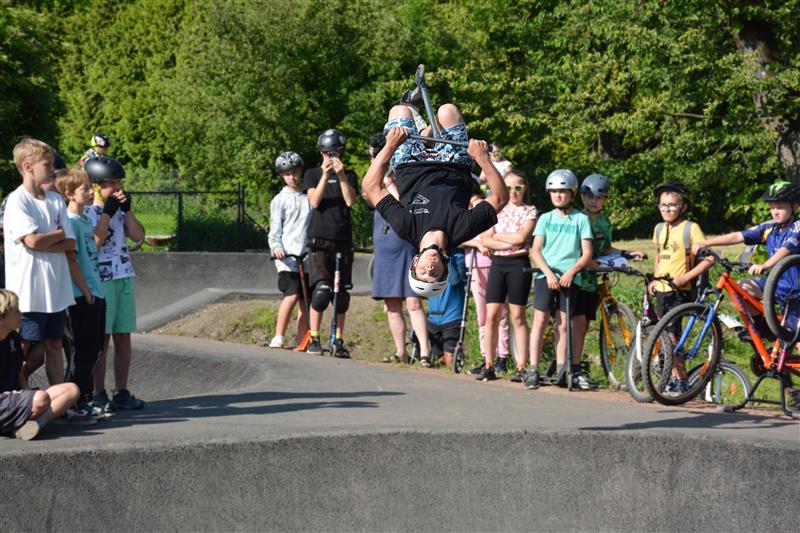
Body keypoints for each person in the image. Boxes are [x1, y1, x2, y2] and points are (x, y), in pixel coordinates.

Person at [362, 102, 509, 299]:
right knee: (448, 111)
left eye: (422, 272)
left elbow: (371, 187)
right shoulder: (462, 229)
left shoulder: (406, 226)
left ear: (415, 263)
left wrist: (389, 146)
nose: (429, 269)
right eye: (434, 274)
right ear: (445, 268)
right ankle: (427, 132)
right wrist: (483, 159)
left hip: (410, 162)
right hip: (454, 163)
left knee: (399, 111)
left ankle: (426, 131)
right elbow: (500, 199)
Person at [3, 138, 75, 387]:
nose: (53, 170)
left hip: (56, 290)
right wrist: (57, 235)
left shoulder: (55, 200)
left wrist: (48, 239)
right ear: (27, 166)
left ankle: (57, 398)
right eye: (47, 164)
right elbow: (32, 241)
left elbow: (71, 242)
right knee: (22, 346)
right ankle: (15, 395)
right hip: (29, 293)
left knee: (54, 345)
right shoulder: (18, 200)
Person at [692, 180, 800, 337]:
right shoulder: (770, 228)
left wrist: (765, 265)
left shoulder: (797, 227)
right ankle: (763, 326)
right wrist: (706, 243)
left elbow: (786, 249)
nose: (775, 212)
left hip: (795, 291)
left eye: (780, 207)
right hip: (774, 285)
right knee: (742, 288)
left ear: (794, 206)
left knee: (795, 340)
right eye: (772, 208)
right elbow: (739, 236)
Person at [83, 156, 146, 413]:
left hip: (123, 276)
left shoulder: (119, 211)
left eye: (119, 183)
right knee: (103, 339)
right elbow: (94, 245)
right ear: (95, 185)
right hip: (102, 280)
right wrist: (106, 213)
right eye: (111, 183)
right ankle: (98, 392)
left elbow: (138, 236)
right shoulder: (87, 212)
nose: (117, 188)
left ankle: (121, 391)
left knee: (123, 337)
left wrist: (126, 210)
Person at [572, 173, 644, 386]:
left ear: (606, 199)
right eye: (589, 197)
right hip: (576, 276)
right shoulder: (577, 219)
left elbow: (605, 248)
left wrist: (626, 253)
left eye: (599, 197)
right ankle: (572, 368)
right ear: (582, 197)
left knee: (584, 323)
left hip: (592, 277)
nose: (594, 201)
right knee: (579, 323)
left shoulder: (604, 222)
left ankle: (574, 365)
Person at [364, 133, 430, 364]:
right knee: (392, 304)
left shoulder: (403, 175)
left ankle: (425, 352)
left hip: (405, 245)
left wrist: (390, 182)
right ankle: (400, 351)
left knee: (413, 301)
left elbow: (402, 205)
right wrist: (377, 170)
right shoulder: (375, 176)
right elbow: (369, 196)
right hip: (384, 247)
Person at [528, 169, 593, 390]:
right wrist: (548, 273)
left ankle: (562, 369)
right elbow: (535, 250)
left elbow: (586, 253)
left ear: (572, 193)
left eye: (562, 191)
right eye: (554, 191)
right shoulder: (545, 218)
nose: (557, 195)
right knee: (540, 320)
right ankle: (533, 369)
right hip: (545, 276)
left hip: (569, 278)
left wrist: (571, 272)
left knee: (563, 324)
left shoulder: (581, 219)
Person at [650, 180, 713, 396]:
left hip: (680, 289)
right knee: (664, 334)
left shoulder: (690, 228)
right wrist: (654, 279)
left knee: (672, 334)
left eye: (672, 205)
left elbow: (709, 259)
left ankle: (681, 380)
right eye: (663, 205)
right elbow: (659, 255)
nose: (667, 209)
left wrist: (685, 277)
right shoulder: (659, 228)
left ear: (683, 207)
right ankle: (672, 377)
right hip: (661, 288)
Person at [473, 171, 537, 382]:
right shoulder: (496, 210)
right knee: (491, 315)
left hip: (518, 264)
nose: (513, 192)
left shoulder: (529, 211)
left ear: (524, 189)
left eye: (518, 187)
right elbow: (485, 240)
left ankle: (521, 365)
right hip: (498, 264)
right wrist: (506, 242)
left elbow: (521, 238)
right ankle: (488, 363)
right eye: (508, 188)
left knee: (517, 315)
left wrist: (498, 237)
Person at [303, 129, 359, 357]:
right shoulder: (312, 174)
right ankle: (314, 338)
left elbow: (350, 201)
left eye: (334, 153)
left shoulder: (350, 175)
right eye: (327, 153)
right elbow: (314, 202)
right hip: (319, 240)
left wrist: (342, 175)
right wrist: (325, 175)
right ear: (321, 153)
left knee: (341, 295)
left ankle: (337, 339)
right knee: (321, 292)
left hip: (342, 240)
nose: (330, 157)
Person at [55, 167, 107, 416]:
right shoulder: (71, 221)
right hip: (80, 296)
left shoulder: (85, 219)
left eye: (91, 187)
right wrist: (86, 292)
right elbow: (71, 260)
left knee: (96, 350)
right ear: (69, 194)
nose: (91, 192)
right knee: (81, 352)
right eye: (85, 189)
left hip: (96, 292)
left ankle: (83, 398)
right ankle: (71, 402)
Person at [1, 289, 83, 440]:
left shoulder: (13, 338)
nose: (21, 314)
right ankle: (12, 424)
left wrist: (27, 392)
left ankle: (34, 425)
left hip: (13, 399)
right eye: (16, 310)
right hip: (3, 402)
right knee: (41, 399)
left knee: (71, 390)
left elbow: (19, 373)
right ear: (2, 316)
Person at [462, 188, 511, 376]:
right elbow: (457, 237)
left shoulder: (491, 212)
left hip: (495, 265)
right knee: (482, 314)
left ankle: (502, 357)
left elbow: (495, 235)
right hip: (475, 265)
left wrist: (486, 242)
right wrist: (478, 243)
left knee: (501, 313)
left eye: (476, 200)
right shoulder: (464, 215)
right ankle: (486, 357)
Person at [268, 150, 310, 349]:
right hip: (288, 258)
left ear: (300, 171)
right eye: (287, 174)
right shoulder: (280, 200)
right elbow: (275, 230)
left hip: (307, 257)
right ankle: (279, 336)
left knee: (305, 301)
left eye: (295, 172)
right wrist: (277, 247)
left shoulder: (309, 196)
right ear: (281, 176)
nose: (292, 177)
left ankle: (302, 340)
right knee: (291, 295)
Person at [426, 249, 467, 369]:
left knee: (450, 360)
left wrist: (445, 257)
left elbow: (455, 281)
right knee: (439, 360)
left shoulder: (458, 257)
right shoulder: (428, 258)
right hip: (433, 318)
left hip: (452, 317)